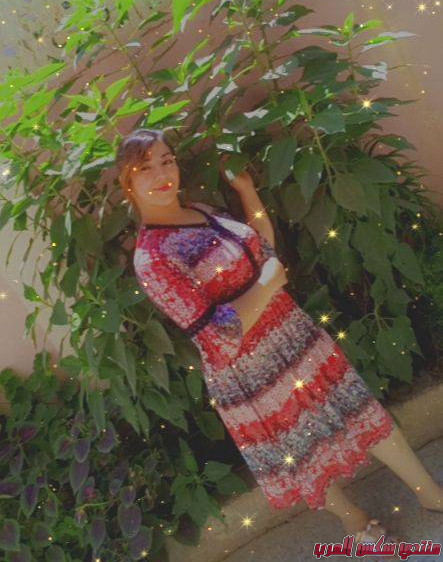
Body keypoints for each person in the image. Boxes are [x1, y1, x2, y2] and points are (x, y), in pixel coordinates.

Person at [115, 126, 442, 553]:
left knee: (358, 407)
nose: (162, 174)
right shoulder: (153, 258)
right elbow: (218, 335)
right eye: (146, 168)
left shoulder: (202, 210)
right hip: (247, 370)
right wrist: (268, 284)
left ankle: (429, 493)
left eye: (167, 160)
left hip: (292, 334)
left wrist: (247, 192)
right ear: (127, 181)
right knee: (299, 452)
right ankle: (354, 520)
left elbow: (261, 251)